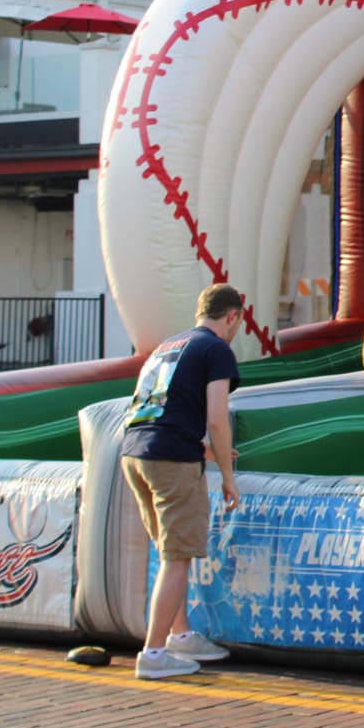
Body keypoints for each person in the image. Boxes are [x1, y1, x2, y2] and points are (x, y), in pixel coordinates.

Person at [118, 282, 245, 680]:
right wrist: (227, 475)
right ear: (233, 317)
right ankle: (154, 653)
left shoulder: (169, 346)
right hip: (170, 459)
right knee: (178, 557)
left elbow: (160, 408)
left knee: (168, 550)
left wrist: (202, 449)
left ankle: (180, 634)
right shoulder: (216, 350)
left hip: (135, 452)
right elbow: (216, 419)